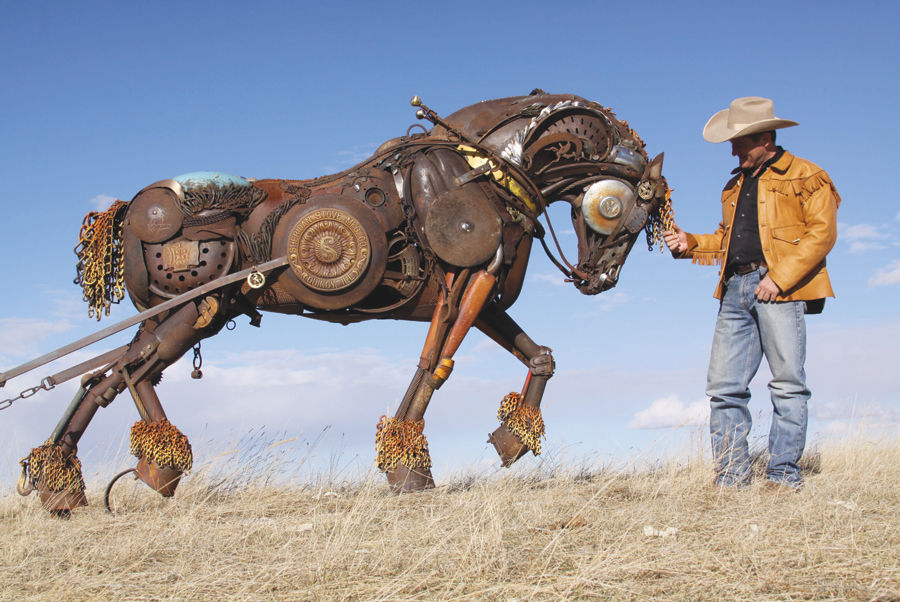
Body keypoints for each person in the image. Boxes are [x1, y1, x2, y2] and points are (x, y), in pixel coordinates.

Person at [664, 97, 840, 491]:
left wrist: (778, 278)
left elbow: (821, 234)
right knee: (724, 389)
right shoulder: (734, 185)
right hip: (735, 289)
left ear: (764, 139)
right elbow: (726, 241)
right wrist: (689, 242)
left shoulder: (808, 175)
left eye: (739, 142)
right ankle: (730, 478)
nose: (732, 149)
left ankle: (782, 477)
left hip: (778, 289)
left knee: (787, 385)